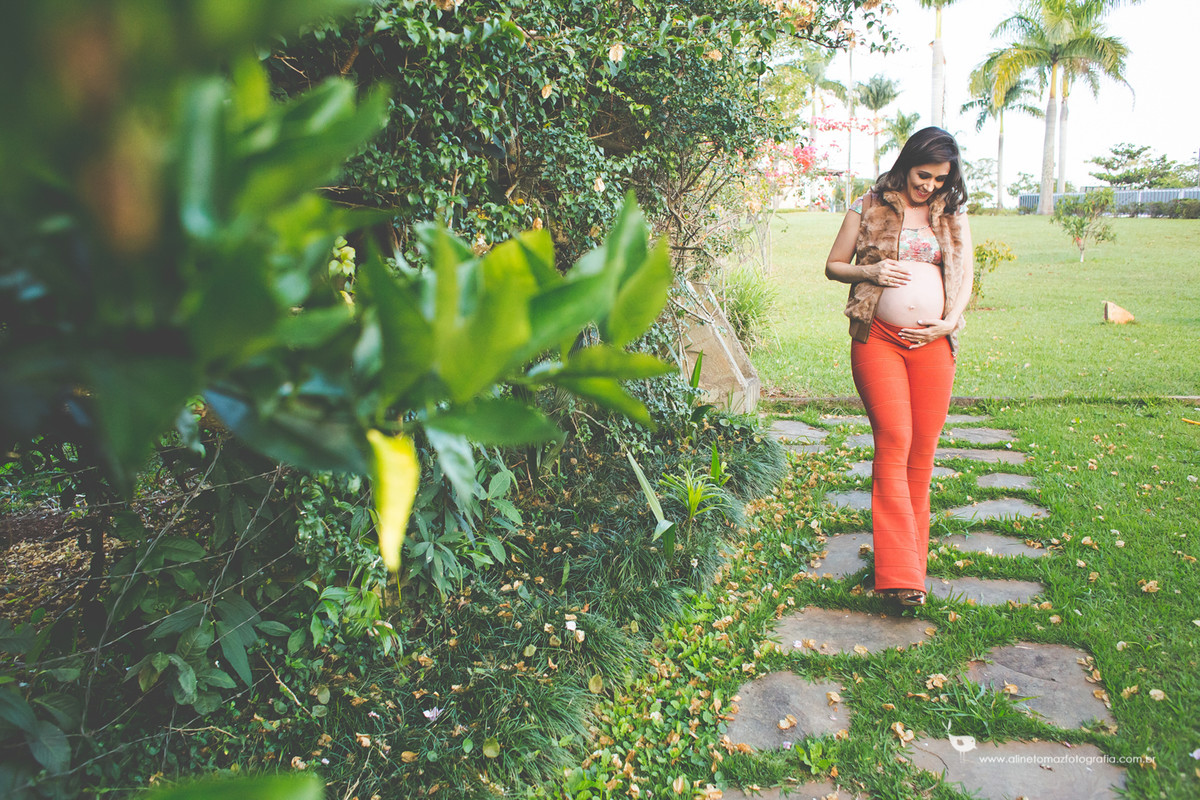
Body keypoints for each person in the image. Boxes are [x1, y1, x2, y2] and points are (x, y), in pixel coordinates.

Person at [824, 127, 974, 606]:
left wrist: (949, 322)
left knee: (921, 453)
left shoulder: (951, 212)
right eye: (923, 175)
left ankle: (912, 567)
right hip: (879, 338)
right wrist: (869, 270)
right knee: (894, 439)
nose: (929, 185)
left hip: (933, 343)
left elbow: (965, 274)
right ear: (907, 163)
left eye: (940, 179)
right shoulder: (868, 203)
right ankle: (899, 577)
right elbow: (833, 265)